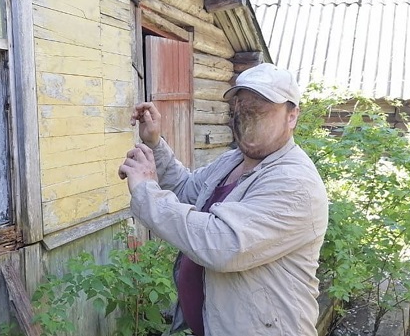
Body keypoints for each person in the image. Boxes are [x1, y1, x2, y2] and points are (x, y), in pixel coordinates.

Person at [118, 63, 328, 335]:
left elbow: (223, 245)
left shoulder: (295, 182)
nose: (247, 116)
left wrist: (147, 191)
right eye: (240, 107)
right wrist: (155, 144)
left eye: (260, 108)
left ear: (292, 116)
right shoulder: (232, 161)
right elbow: (185, 189)